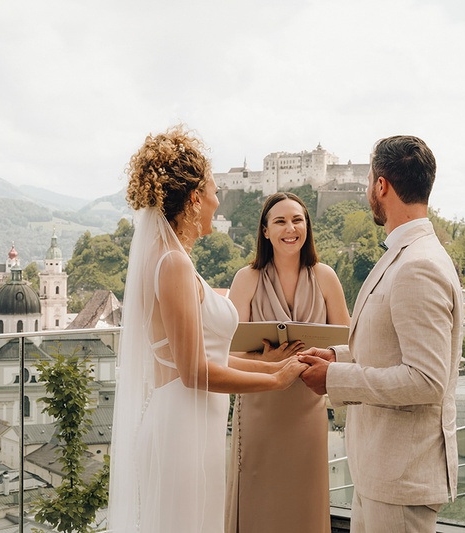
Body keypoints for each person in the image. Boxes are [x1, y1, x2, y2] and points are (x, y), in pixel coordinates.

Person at [108, 125, 308, 533]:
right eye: (215, 192)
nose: (219, 202)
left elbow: (203, 355)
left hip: (190, 425)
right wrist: (276, 381)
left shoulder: (169, 259)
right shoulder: (174, 264)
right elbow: (194, 370)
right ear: (196, 197)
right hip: (182, 431)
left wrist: (265, 363)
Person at [299, 135, 463, 533]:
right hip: (383, 473)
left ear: (381, 186)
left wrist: (335, 379)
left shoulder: (418, 265)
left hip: (401, 479)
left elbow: (425, 380)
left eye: (370, 178)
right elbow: (389, 349)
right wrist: (339, 356)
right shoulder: (407, 253)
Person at [225, 192, 350, 532]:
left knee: (304, 503)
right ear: (265, 231)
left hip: (308, 407)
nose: (290, 228)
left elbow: (348, 343)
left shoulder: (326, 277)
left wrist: (326, 357)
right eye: (279, 221)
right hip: (258, 406)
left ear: (307, 227)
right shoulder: (246, 279)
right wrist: (266, 360)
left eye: (297, 220)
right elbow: (228, 354)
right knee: (258, 500)